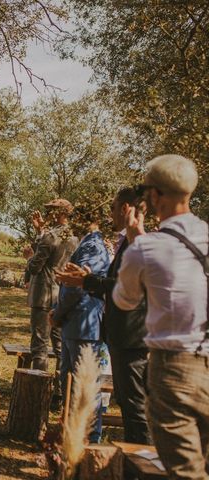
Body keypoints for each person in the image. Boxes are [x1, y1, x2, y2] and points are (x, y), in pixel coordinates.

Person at [113, 155, 208, 479]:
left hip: (173, 369)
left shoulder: (145, 248)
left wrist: (134, 238)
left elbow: (125, 300)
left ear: (154, 196)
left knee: (183, 472)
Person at [57, 187, 151, 445]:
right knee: (129, 406)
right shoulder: (124, 243)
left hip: (131, 337)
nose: (109, 214)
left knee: (136, 410)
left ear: (125, 209)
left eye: (112, 208)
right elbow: (117, 281)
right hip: (121, 336)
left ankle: (138, 463)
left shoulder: (139, 244)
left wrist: (86, 281)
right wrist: (89, 279)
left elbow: (129, 287)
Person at [52, 207, 110, 443]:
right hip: (74, 324)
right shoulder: (86, 244)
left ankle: (89, 438)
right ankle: (70, 435)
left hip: (83, 323)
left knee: (84, 383)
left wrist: (58, 312)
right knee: (69, 382)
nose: (72, 224)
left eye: (77, 219)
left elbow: (77, 285)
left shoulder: (93, 246)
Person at [26, 199, 79, 403]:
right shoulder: (74, 236)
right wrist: (40, 231)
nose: (47, 214)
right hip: (62, 294)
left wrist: (29, 256)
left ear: (57, 214)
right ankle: (59, 393)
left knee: (39, 344)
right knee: (59, 347)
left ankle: (37, 393)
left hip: (43, 295)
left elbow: (35, 267)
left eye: (50, 211)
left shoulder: (50, 236)